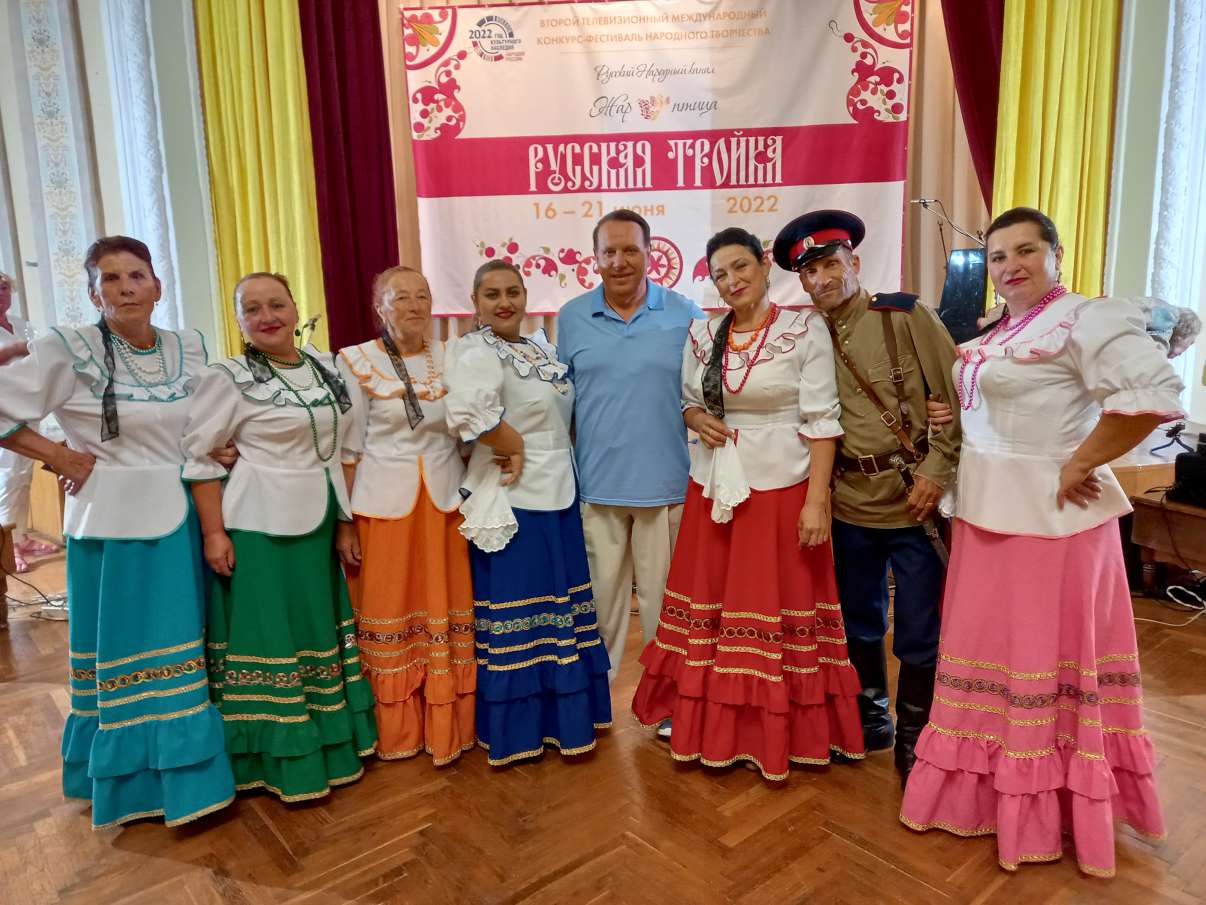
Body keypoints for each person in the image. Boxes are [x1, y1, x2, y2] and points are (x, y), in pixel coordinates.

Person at [899, 207, 1182, 877]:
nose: (1010, 265)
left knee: (1038, 659)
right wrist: (956, 407)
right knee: (990, 658)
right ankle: (988, 795)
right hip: (987, 517)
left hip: (1051, 525)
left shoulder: (1087, 316)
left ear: (1057, 254)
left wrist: (1083, 460)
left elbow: (1152, 393)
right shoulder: (1003, 329)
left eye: (1027, 250)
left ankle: (1048, 807)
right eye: (998, 256)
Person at [0, 237, 236, 828]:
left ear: (158, 286)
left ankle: (192, 779)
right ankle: (135, 787)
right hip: (114, 528)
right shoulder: (69, 348)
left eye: (136, 275)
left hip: (187, 518)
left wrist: (221, 448)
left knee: (185, 653)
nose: (126, 287)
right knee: (132, 656)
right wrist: (58, 454)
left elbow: (199, 428)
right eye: (109, 278)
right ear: (92, 293)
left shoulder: (187, 346)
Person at [631, 227, 865, 777]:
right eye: (720, 274)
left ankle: (784, 730)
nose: (732, 281)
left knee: (777, 605)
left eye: (740, 267)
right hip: (716, 487)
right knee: (712, 602)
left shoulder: (803, 329)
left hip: (783, 487)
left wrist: (816, 502)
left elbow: (823, 420)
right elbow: (689, 401)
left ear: (763, 265)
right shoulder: (702, 334)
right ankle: (704, 719)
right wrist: (696, 418)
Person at [773, 210, 962, 785]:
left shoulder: (903, 316)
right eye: (810, 273)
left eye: (831, 265)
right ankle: (871, 719)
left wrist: (937, 471)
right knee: (859, 620)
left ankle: (914, 734)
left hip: (912, 500)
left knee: (918, 627)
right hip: (851, 503)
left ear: (853, 261)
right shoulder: (805, 334)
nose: (822, 280)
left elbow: (954, 397)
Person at [183, 271, 377, 802]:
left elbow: (337, 451)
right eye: (252, 309)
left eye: (276, 304)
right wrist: (214, 533)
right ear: (239, 320)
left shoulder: (323, 367)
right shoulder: (228, 376)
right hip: (258, 525)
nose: (266, 316)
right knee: (269, 638)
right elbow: (199, 457)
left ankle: (329, 747)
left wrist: (344, 520)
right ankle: (273, 763)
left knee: (313, 633)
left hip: (317, 523)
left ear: (295, 308)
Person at [444, 260, 611, 765]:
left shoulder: (540, 348)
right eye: (492, 294)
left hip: (559, 491)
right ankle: (521, 731)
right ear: (475, 302)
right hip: (513, 497)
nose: (504, 302)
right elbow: (469, 414)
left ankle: (566, 720)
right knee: (522, 612)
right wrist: (513, 443)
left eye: (512, 292)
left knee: (560, 609)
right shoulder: (475, 350)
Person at [556, 211, 703, 707]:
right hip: (597, 489)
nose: (619, 262)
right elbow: (561, 403)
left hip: (666, 488)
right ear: (595, 258)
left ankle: (670, 704)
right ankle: (595, 704)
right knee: (600, 609)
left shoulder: (686, 314)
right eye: (609, 252)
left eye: (630, 250)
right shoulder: (572, 317)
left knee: (667, 611)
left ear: (650, 253)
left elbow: (704, 396)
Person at [335, 265, 475, 765]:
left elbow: (468, 428)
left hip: (444, 505)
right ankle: (395, 730)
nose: (414, 306)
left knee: (445, 607)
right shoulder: (355, 361)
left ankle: (448, 724)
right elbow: (347, 448)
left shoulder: (454, 355)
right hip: (383, 507)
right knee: (390, 610)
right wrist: (344, 522)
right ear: (380, 307)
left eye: (422, 296)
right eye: (401, 298)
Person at [0, 270, 58, 573]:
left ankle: (21, 536)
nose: (1, 294)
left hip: (28, 406)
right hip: (3, 413)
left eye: (4, 287)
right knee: (8, 479)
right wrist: (12, 350)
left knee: (24, 478)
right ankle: (6, 545)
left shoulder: (22, 325)